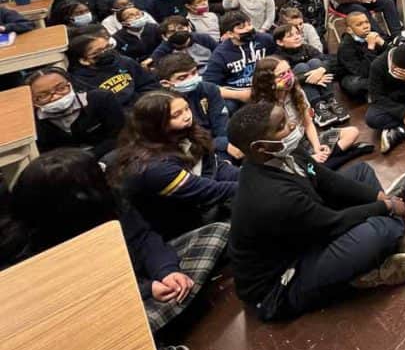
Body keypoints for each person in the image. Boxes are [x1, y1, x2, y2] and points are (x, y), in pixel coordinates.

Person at [226, 101, 405, 321]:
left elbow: (325, 178)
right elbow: (333, 223)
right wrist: (385, 206)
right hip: (281, 284)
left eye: (286, 119)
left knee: (361, 172)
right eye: (281, 126)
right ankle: (368, 261)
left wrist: (377, 197)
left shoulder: (284, 152)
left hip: (305, 233)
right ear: (259, 147)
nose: (292, 126)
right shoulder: (272, 196)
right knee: (379, 232)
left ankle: (374, 243)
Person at [0, 149, 229, 335]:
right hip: (93, 304)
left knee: (217, 232)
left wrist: (167, 271)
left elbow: (142, 237)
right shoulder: (23, 245)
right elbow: (73, 293)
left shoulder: (111, 201)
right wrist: (145, 290)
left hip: (137, 273)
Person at [114, 91, 239, 240]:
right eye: (176, 115)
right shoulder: (155, 168)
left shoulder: (186, 133)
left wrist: (248, 177)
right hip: (176, 229)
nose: (187, 116)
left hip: (200, 207)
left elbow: (214, 167)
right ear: (155, 123)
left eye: (187, 108)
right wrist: (253, 185)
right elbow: (207, 192)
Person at [251, 53, 361, 163]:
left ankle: (319, 163)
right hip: (288, 151)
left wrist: (317, 148)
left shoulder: (296, 92)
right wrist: (309, 157)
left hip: (305, 140)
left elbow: (308, 124)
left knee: (352, 132)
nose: (288, 77)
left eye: (289, 71)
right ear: (267, 81)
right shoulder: (263, 108)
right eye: (281, 75)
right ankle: (319, 163)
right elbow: (276, 149)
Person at [156, 52, 237, 163]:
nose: (192, 79)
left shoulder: (209, 89)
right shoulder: (159, 104)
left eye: (194, 73)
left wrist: (224, 154)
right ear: (166, 83)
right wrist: (222, 144)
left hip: (214, 143)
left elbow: (221, 127)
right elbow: (177, 140)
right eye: (182, 77)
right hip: (181, 151)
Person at [28, 66, 124, 158]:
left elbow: (120, 135)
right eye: (44, 95)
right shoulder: (33, 124)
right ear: (34, 101)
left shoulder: (101, 99)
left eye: (61, 88)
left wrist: (92, 157)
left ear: (70, 85)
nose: (56, 97)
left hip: (112, 154)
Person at [271, 24, 344, 126]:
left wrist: (320, 71)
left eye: (297, 33)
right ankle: (317, 108)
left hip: (315, 81)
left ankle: (331, 101)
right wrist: (308, 77)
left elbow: (330, 61)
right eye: (290, 36)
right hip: (294, 90)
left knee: (316, 62)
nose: (297, 37)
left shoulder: (307, 48)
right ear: (280, 42)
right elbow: (280, 83)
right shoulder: (277, 58)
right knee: (301, 67)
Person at [202, 9, 275, 112]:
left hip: (266, 86)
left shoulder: (265, 40)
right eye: (241, 28)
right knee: (227, 107)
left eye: (249, 24)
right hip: (237, 93)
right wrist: (240, 95)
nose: (248, 29)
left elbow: (280, 61)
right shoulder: (220, 54)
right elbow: (208, 86)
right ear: (230, 34)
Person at [68, 32, 161, 110]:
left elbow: (149, 84)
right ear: (84, 60)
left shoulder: (125, 61)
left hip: (145, 107)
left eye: (107, 47)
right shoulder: (79, 81)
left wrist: (145, 104)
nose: (106, 52)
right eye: (99, 51)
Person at [334, 11, 388, 103]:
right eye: (359, 24)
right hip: (355, 76)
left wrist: (382, 44)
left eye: (367, 22)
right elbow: (362, 72)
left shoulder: (371, 36)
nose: (366, 26)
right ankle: (382, 88)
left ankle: (377, 90)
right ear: (350, 30)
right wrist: (370, 48)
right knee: (353, 85)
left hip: (373, 72)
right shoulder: (346, 47)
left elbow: (392, 57)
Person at [151, 16, 219, 73]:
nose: (178, 32)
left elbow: (220, 57)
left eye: (181, 28)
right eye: (172, 32)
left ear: (189, 28)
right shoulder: (161, 53)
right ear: (164, 37)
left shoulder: (204, 39)